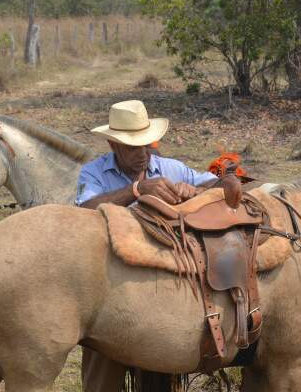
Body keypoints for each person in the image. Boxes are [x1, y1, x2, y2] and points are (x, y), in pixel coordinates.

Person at [76, 99, 218, 392]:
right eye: (132, 147)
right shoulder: (93, 173)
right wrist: (136, 190)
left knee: (161, 366)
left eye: (145, 145)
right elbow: (85, 209)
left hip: (159, 283)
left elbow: (215, 183)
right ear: (114, 146)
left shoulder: (169, 167)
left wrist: (195, 192)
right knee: (102, 371)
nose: (142, 154)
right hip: (108, 284)